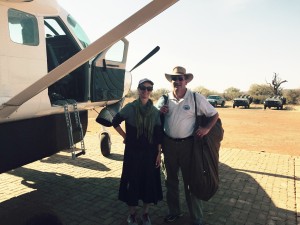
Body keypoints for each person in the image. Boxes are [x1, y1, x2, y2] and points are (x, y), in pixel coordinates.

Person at [156, 66, 219, 225]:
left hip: (189, 146)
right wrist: (159, 113)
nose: (177, 81)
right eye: (174, 79)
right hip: (168, 145)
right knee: (170, 181)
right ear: (171, 81)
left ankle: (196, 217)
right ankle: (174, 212)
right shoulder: (163, 98)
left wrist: (206, 129)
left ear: (185, 80)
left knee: (192, 181)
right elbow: (155, 120)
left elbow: (214, 114)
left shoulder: (196, 98)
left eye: (180, 78)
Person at [112, 78, 163, 225]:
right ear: (138, 89)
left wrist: (159, 153)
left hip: (150, 153)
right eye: (143, 88)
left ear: (151, 91)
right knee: (132, 181)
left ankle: (145, 214)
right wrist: (125, 136)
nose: (146, 91)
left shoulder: (155, 112)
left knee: (148, 182)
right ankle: (133, 214)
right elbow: (115, 121)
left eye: (149, 88)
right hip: (133, 153)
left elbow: (158, 135)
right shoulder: (130, 108)